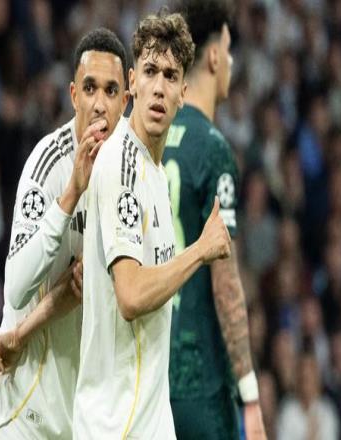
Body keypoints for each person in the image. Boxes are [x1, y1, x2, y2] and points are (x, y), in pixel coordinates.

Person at [73, 11, 231, 439]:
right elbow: (130, 294)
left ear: (183, 93)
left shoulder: (155, 175)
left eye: (170, 75)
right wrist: (199, 251)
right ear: (132, 84)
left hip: (149, 419)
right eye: (150, 72)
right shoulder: (122, 162)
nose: (159, 87)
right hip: (114, 425)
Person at [0, 28, 129, 439]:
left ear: (125, 100)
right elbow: (15, 289)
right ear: (73, 95)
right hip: (25, 411)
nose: (99, 103)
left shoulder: (131, 177)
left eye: (110, 90)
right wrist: (71, 195)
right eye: (89, 88)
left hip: (82, 418)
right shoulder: (47, 165)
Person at [163, 0, 266, 438]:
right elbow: (225, 282)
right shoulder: (212, 148)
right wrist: (250, 394)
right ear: (211, 56)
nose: (231, 61)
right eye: (227, 48)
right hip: (199, 380)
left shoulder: (146, 136)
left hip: (146, 376)